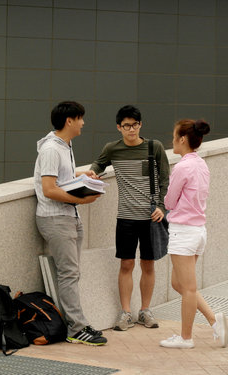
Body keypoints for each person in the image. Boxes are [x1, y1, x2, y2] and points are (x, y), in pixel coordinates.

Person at [90, 105, 169, 331]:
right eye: (126, 126)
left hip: (151, 216)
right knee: (126, 263)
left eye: (135, 125)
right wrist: (94, 171)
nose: (131, 129)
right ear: (119, 127)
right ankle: (125, 313)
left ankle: (145, 311)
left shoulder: (154, 148)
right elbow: (99, 163)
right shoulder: (112, 149)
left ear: (140, 125)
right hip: (125, 216)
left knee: (148, 264)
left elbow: (166, 180)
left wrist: (162, 206)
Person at [34, 101, 107, 346]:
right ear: (69, 121)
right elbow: (48, 189)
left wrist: (82, 175)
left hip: (69, 216)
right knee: (68, 273)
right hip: (55, 217)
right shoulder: (51, 149)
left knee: (73, 273)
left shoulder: (65, 146)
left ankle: (78, 324)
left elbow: (61, 176)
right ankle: (76, 329)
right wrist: (82, 200)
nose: (83, 123)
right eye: (80, 118)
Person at [159, 119, 228, 349]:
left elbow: (169, 201)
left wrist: (169, 205)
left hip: (184, 232)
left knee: (186, 288)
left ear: (182, 139)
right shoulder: (201, 164)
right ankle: (214, 319)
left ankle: (186, 338)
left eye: (173, 136)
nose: (172, 140)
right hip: (198, 232)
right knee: (178, 283)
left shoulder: (182, 167)